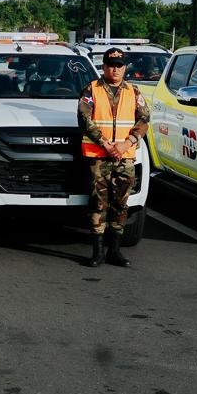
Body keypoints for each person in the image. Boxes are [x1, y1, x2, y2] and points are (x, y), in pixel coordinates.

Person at [78, 47, 149, 268]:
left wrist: (127, 143)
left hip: (124, 156)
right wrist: (105, 143)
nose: (115, 69)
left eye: (119, 66)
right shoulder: (92, 89)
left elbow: (144, 119)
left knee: (121, 203)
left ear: (125, 68)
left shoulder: (133, 92)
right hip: (99, 155)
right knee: (98, 202)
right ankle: (98, 252)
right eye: (111, 65)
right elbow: (84, 117)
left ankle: (115, 251)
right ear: (104, 66)